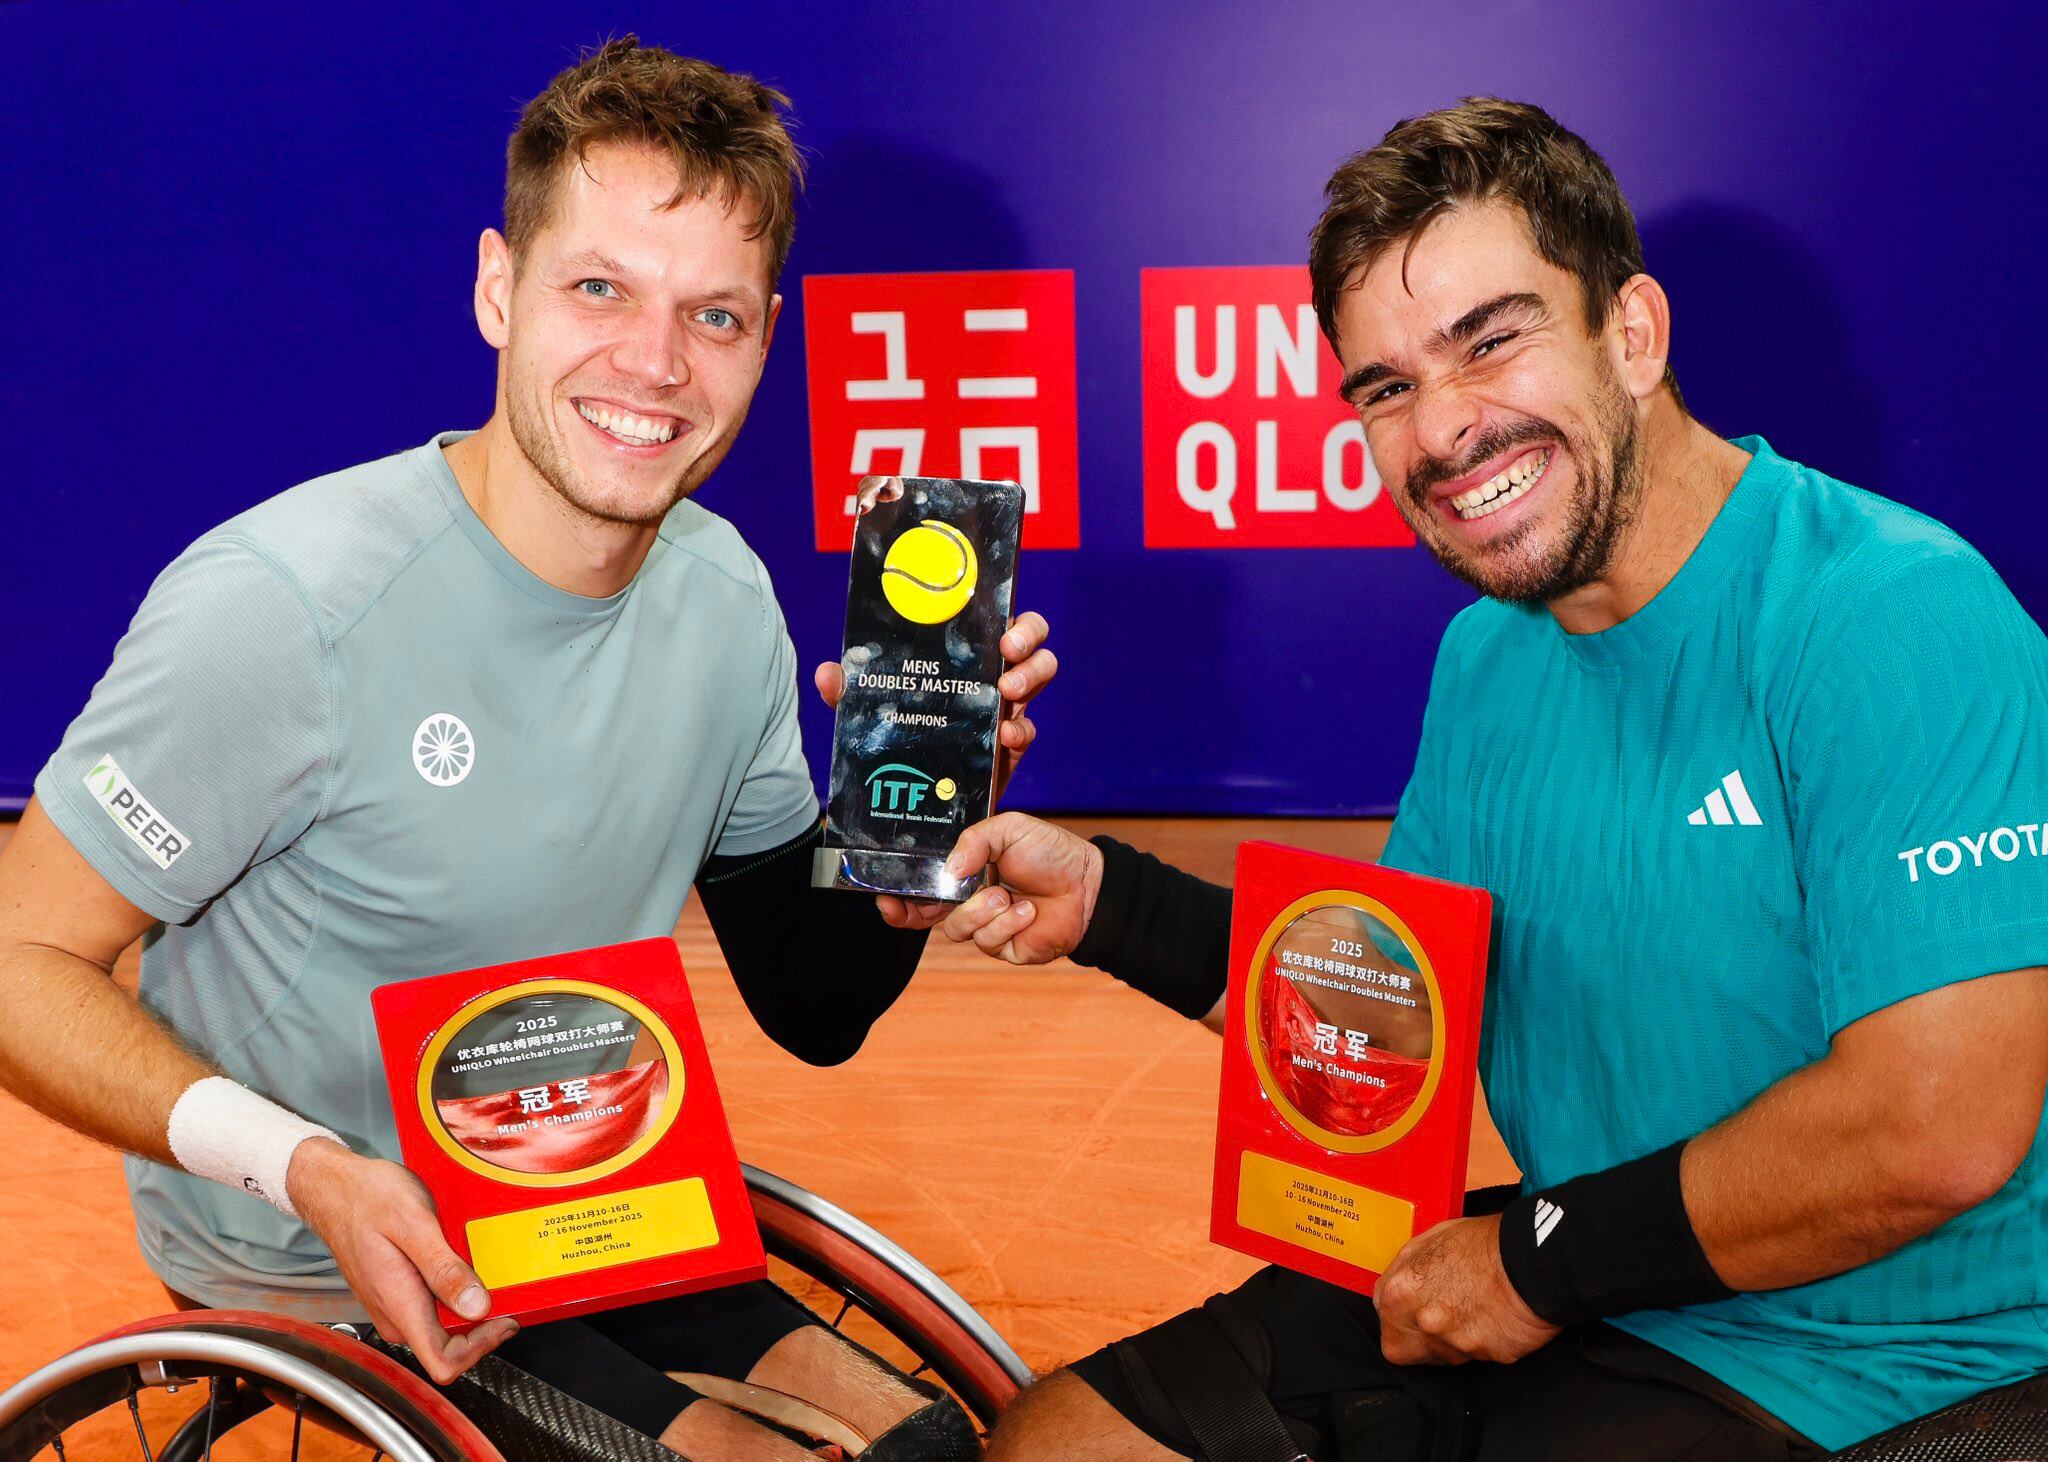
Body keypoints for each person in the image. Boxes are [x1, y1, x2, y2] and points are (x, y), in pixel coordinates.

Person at [903, 98, 2048, 1460]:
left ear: (1632, 333)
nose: (1444, 429)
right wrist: (1102, 898)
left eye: (1489, 340)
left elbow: (1938, 1125)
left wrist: (1536, 1261)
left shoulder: (1892, 615)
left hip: (1869, 1355)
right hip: (1590, 1279)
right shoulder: (1486, 659)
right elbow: (1393, 1019)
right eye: (1386, 386)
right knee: (1061, 1438)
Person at [0, 38, 1053, 1462]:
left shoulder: (724, 595)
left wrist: (911, 847)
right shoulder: (285, 608)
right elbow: (19, 961)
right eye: (599, 288)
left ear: (766, 339)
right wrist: (306, 1169)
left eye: (716, 316)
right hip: (332, 1242)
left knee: (935, 1445)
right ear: (500, 289)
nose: (655, 364)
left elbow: (813, 1004)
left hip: (582, 1179)